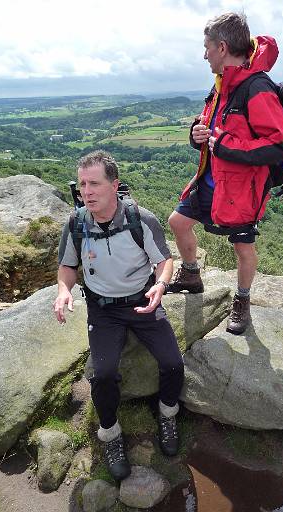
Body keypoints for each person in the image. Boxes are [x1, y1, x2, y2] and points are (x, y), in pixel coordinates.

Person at [54, 150, 184, 481]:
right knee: (103, 374)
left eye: (95, 183)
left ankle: (167, 414)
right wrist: (64, 290)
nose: (87, 192)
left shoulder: (141, 219)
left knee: (172, 363)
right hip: (103, 309)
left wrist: (161, 285)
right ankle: (110, 436)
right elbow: (68, 266)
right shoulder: (76, 224)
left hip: (142, 301)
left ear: (115, 185)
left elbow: (164, 260)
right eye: (83, 184)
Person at [168, 12, 283, 334]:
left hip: (242, 189)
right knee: (178, 222)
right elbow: (208, 125)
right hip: (211, 179)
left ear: (222, 47)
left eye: (207, 47)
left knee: (242, 247)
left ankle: (242, 300)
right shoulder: (222, 86)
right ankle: (192, 274)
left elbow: (280, 145)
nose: (204, 54)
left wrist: (223, 144)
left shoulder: (256, 88)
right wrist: (196, 132)